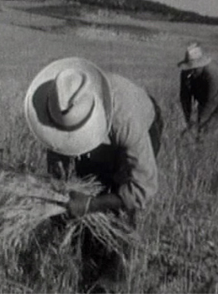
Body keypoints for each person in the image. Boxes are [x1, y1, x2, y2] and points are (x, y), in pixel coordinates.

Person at [24, 57, 163, 291]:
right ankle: (85, 249)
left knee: (119, 198)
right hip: (103, 124)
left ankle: (113, 274)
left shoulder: (126, 121)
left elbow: (141, 189)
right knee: (88, 182)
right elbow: (57, 161)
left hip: (144, 120)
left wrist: (91, 204)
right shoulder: (56, 103)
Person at [178, 43, 218, 139]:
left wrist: (199, 125)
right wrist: (188, 121)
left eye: (194, 68)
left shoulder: (213, 73)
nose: (191, 72)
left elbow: (212, 101)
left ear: (201, 65)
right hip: (202, 97)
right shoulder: (185, 72)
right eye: (189, 68)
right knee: (194, 132)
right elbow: (184, 97)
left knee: (209, 132)